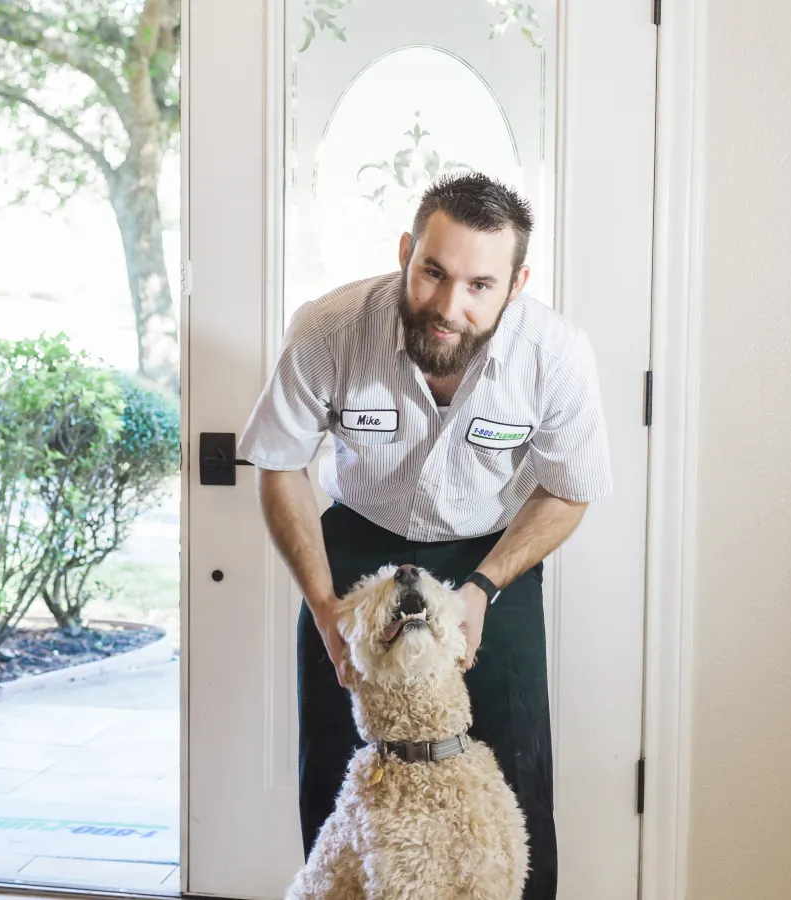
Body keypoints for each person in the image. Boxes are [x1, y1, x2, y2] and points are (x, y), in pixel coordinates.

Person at [239, 172, 614, 900]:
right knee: (335, 765)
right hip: (355, 550)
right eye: (433, 273)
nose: (449, 306)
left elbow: (570, 490)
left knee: (517, 770)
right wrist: (323, 604)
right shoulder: (328, 329)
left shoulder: (556, 353)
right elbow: (280, 467)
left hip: (489, 559)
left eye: (480, 284)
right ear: (407, 251)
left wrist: (483, 586)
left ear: (516, 283)